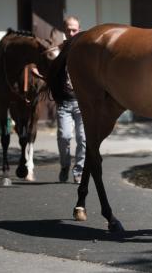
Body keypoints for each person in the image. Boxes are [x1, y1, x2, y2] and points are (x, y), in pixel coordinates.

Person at [56, 16, 86, 183]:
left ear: (79, 30)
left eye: (74, 30)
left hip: (82, 103)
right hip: (65, 102)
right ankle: (65, 165)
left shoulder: (86, 52)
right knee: (64, 137)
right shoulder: (59, 51)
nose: (71, 33)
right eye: (68, 30)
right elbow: (50, 71)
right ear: (64, 31)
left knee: (83, 138)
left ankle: (78, 171)